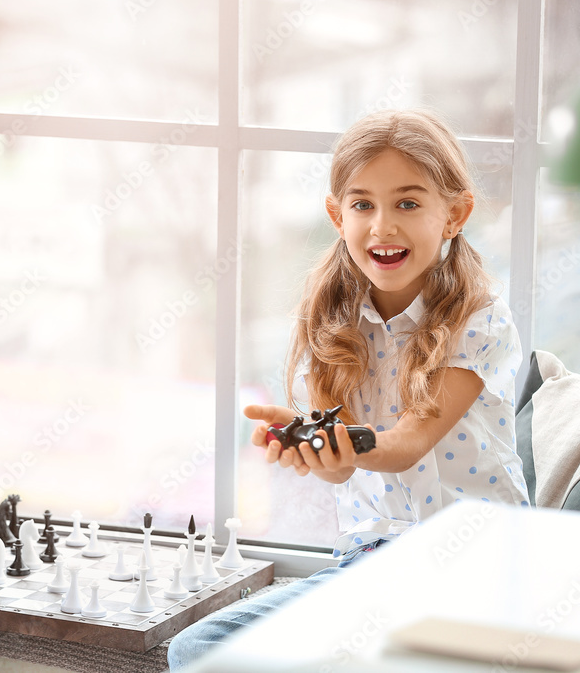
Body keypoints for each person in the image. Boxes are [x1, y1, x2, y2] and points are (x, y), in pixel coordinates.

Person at [168, 109, 529, 669]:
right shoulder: (330, 322)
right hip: (376, 564)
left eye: (407, 203)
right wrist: (310, 445)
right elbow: (340, 469)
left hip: (478, 565)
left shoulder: (481, 319)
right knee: (196, 649)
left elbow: (408, 442)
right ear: (338, 216)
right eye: (363, 204)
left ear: (455, 215)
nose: (382, 226)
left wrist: (346, 439)